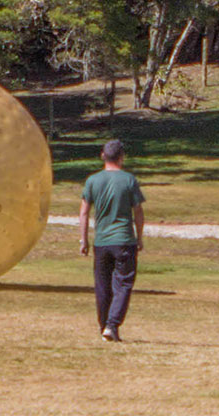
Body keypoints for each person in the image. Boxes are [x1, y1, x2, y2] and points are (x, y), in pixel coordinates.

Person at [79, 138, 145, 342]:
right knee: (123, 284)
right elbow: (138, 211)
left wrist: (83, 240)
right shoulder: (129, 180)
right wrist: (140, 237)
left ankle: (104, 326)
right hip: (124, 239)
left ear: (102, 156)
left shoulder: (92, 181)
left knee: (102, 286)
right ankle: (112, 324)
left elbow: (84, 212)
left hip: (102, 241)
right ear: (121, 157)